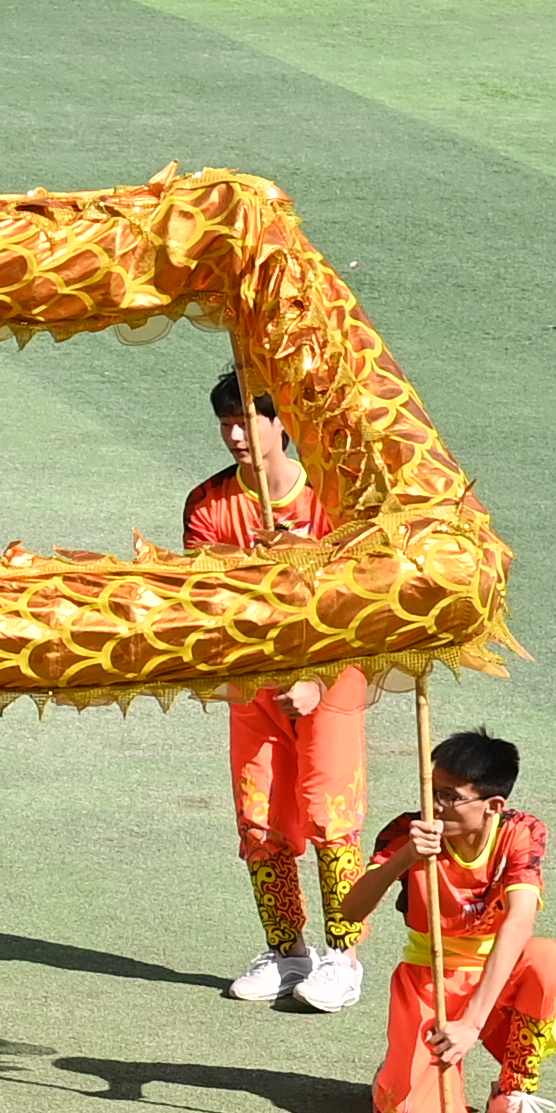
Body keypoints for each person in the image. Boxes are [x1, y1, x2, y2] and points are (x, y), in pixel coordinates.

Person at [190, 370, 369, 1014]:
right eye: (226, 423)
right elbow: (207, 603)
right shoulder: (208, 505)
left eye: (248, 421)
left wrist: (314, 678)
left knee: (329, 815)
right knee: (260, 817)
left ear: (281, 423)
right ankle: (287, 951)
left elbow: (359, 600)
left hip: (331, 677)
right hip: (253, 681)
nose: (236, 435)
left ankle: (343, 958)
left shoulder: (332, 498)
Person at [333, 728, 556, 1113]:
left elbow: (519, 923)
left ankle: (511, 1095)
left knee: (546, 959)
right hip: (430, 975)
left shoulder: (521, 833)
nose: (435, 805)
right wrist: (405, 858)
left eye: (450, 796)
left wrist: (472, 1023)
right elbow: (351, 911)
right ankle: (401, 1080)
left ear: (492, 806)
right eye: (432, 790)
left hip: (496, 981)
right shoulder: (408, 831)